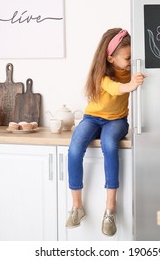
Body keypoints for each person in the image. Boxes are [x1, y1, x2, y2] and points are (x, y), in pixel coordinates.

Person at [65, 28, 146, 236]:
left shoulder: (130, 70)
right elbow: (114, 88)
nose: (130, 61)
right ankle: (77, 206)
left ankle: (110, 208)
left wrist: (134, 79)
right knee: (75, 148)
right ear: (111, 58)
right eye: (127, 57)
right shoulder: (101, 75)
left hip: (117, 121)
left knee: (109, 145)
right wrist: (130, 85)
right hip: (92, 118)